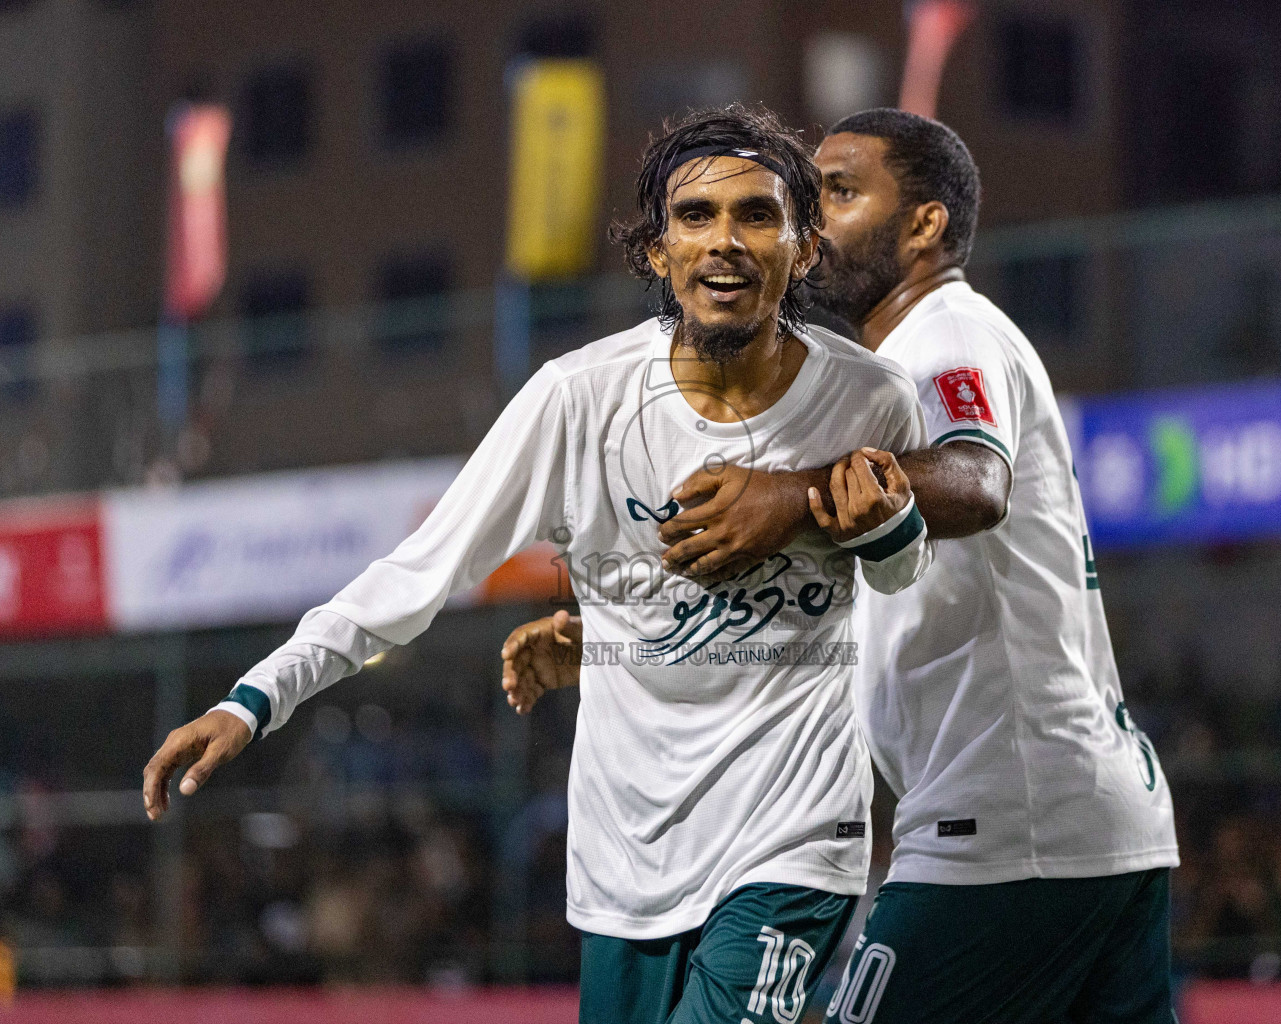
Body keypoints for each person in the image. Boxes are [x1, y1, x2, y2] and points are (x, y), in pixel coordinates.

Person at [143, 105, 935, 1024]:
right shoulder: (578, 400)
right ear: (654, 252)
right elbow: (418, 574)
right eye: (696, 217)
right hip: (626, 858)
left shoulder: (873, 400)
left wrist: (883, 530)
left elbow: (898, 580)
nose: (727, 240)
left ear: (802, 250)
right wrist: (255, 699)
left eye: (758, 214)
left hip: (795, 841)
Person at [502, 108, 1179, 1024]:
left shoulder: (942, 333)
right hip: (1097, 819)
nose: (815, 219)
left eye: (842, 193)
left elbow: (978, 480)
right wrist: (632, 634)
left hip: (1006, 823)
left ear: (926, 226)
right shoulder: (879, 374)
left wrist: (784, 495)